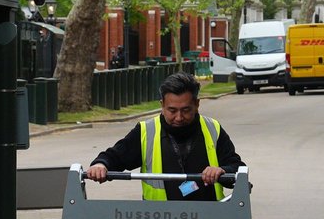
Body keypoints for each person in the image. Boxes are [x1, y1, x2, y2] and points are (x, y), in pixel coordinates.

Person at [85, 72, 244, 201]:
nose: (179, 117)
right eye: (172, 111)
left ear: (197, 104)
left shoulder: (213, 128)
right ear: (162, 105)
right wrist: (101, 164)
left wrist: (222, 170)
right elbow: (116, 156)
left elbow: (237, 168)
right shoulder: (146, 131)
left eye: (186, 110)